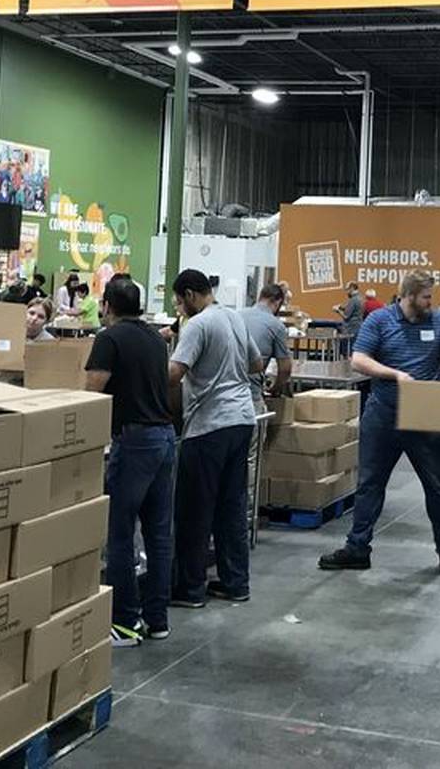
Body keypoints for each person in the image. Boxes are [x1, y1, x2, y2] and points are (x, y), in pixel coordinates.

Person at [320, 269, 440, 576]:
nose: (431, 302)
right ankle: (357, 548)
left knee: (438, 486)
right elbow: (359, 359)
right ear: (408, 296)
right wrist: (394, 374)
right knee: (370, 484)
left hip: (424, 416)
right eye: (426, 297)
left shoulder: (439, 322)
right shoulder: (380, 321)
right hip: (384, 414)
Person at [84, 278, 176, 647]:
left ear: (107, 305)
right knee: (157, 534)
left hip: (134, 441)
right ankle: (157, 619)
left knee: (120, 534)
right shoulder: (155, 337)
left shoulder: (109, 339)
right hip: (165, 439)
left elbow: (92, 392)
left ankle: (124, 623)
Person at [168, 269, 262, 608]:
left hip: (209, 425)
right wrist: (225, 370)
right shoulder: (234, 317)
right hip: (242, 420)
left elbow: (174, 373)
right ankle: (236, 583)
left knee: (194, 510)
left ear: (191, 295)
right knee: (231, 507)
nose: (180, 309)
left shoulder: (198, 324)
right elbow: (257, 362)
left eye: (179, 303)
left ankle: (190, 589)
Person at [241, 284, 292, 409]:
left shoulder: (237, 315)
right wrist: (276, 388)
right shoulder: (276, 325)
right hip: (250, 391)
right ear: (278, 302)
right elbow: (285, 369)